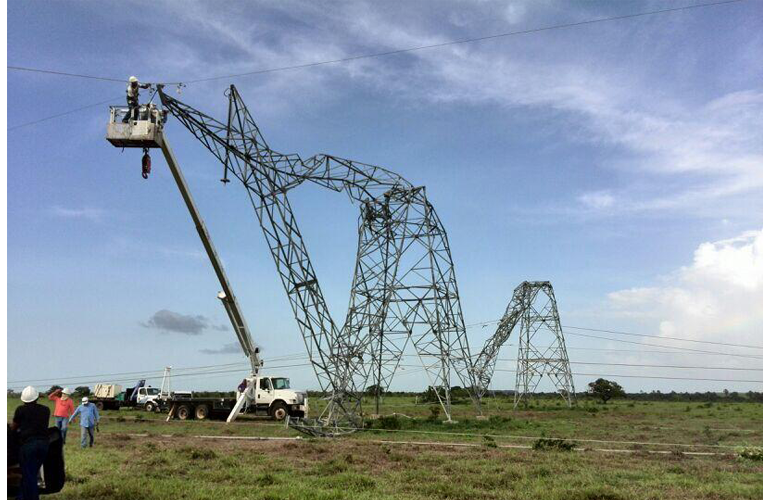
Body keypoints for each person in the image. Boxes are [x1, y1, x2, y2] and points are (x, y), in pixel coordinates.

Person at [11, 386, 50, 500]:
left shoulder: (20, 410)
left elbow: (14, 427)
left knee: (29, 475)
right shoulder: (46, 410)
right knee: (31, 473)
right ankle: (21, 497)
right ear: (37, 398)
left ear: (23, 400)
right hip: (44, 445)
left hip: (28, 445)